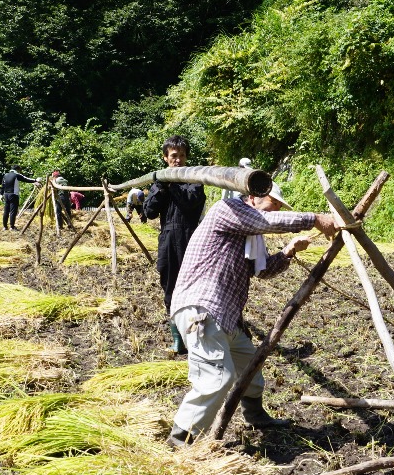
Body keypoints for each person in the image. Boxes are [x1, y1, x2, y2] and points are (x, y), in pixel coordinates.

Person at [166, 182, 337, 447]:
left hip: (226, 316)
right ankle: (181, 440)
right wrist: (315, 219)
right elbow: (266, 221)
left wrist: (289, 251)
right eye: (274, 202)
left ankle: (255, 415)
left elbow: (263, 270)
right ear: (255, 197)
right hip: (202, 309)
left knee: (251, 368)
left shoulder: (250, 236)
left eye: (280, 205)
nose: (276, 207)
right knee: (214, 380)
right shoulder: (228, 210)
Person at [143, 136, 206, 354]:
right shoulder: (160, 181)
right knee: (169, 285)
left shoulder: (195, 180)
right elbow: (149, 211)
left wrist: (173, 185)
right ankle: (177, 338)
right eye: (173, 156)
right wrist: (161, 187)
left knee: (194, 288)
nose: (177, 160)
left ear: (186, 157)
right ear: (165, 158)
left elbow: (190, 204)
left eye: (181, 156)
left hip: (191, 239)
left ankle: (196, 336)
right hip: (168, 239)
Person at [2, 165, 40, 231]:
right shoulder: (16, 175)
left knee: (6, 211)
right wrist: (35, 180)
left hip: (6, 194)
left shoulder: (5, 175)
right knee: (13, 211)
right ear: (17, 169)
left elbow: (3, 185)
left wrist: (0, 194)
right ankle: (12, 227)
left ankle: (5, 227)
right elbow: (26, 179)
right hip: (13, 194)